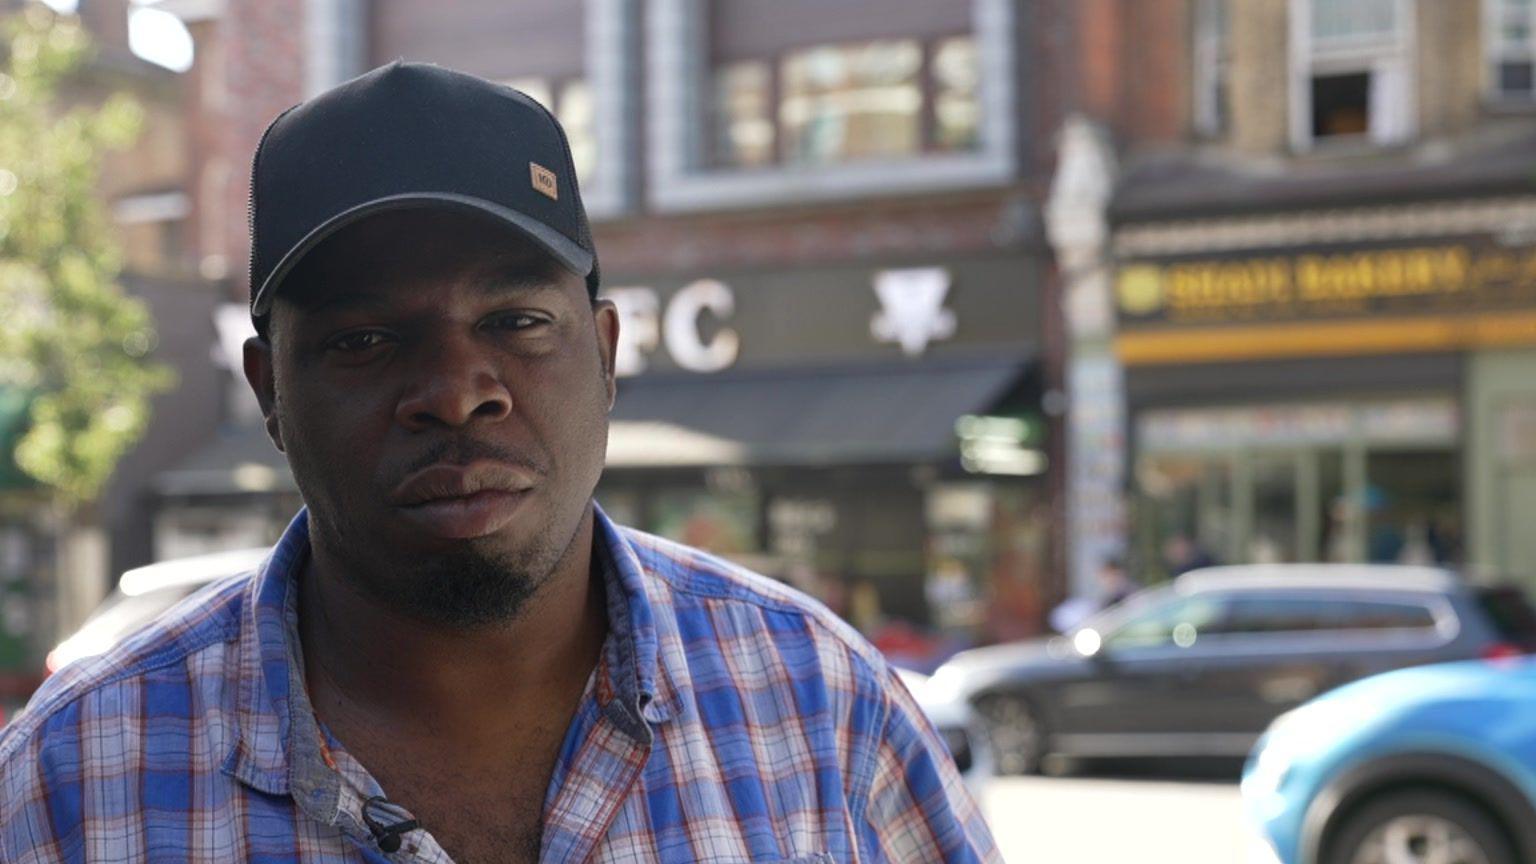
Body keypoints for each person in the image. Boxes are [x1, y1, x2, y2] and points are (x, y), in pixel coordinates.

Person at [0, 63, 998, 863]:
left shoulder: (818, 703)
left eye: (516, 320)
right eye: (364, 340)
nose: (455, 389)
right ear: (269, 391)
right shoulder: (70, 781)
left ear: (605, 355)